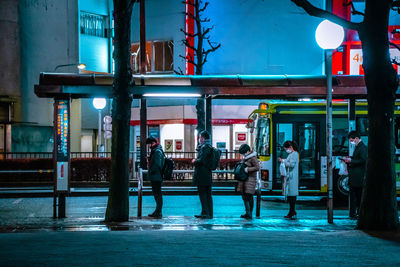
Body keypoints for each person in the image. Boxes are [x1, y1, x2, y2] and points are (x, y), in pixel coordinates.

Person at [344, 131, 367, 219]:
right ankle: (354, 213)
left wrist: (351, 161)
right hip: (355, 176)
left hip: (358, 176)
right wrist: (350, 159)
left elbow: (363, 160)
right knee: (354, 196)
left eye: (352, 140)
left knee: (357, 196)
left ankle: (357, 213)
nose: (351, 142)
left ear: (357, 138)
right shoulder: (358, 147)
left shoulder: (362, 148)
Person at [192, 130, 213, 219]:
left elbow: (202, 160)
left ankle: (205, 213)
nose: (199, 139)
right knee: (207, 195)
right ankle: (208, 213)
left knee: (203, 194)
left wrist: (195, 161)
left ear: (203, 138)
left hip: (202, 175)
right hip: (207, 174)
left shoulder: (204, 147)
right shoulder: (209, 146)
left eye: (200, 137)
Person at [237, 144, 260, 219]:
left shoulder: (253, 158)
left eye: (244, 153)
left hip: (250, 180)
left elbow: (257, 167)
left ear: (247, 151)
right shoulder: (246, 158)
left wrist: (247, 169)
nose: (243, 154)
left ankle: (249, 213)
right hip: (245, 180)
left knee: (248, 197)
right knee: (245, 197)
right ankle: (248, 213)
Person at [279, 140, 299, 220]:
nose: (286, 150)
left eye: (286, 148)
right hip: (290, 177)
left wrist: (283, 161)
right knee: (290, 196)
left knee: (292, 196)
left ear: (290, 147)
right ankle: (292, 211)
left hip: (292, 177)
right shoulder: (292, 154)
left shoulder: (294, 154)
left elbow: (291, 164)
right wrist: (284, 160)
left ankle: (292, 212)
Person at [146, 136, 165, 218]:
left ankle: (158, 211)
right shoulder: (156, 151)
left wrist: (151, 170)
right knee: (157, 194)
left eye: (149, 144)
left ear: (153, 143)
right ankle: (157, 211)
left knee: (157, 194)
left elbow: (158, 164)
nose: (149, 146)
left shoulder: (157, 151)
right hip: (156, 175)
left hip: (156, 176)